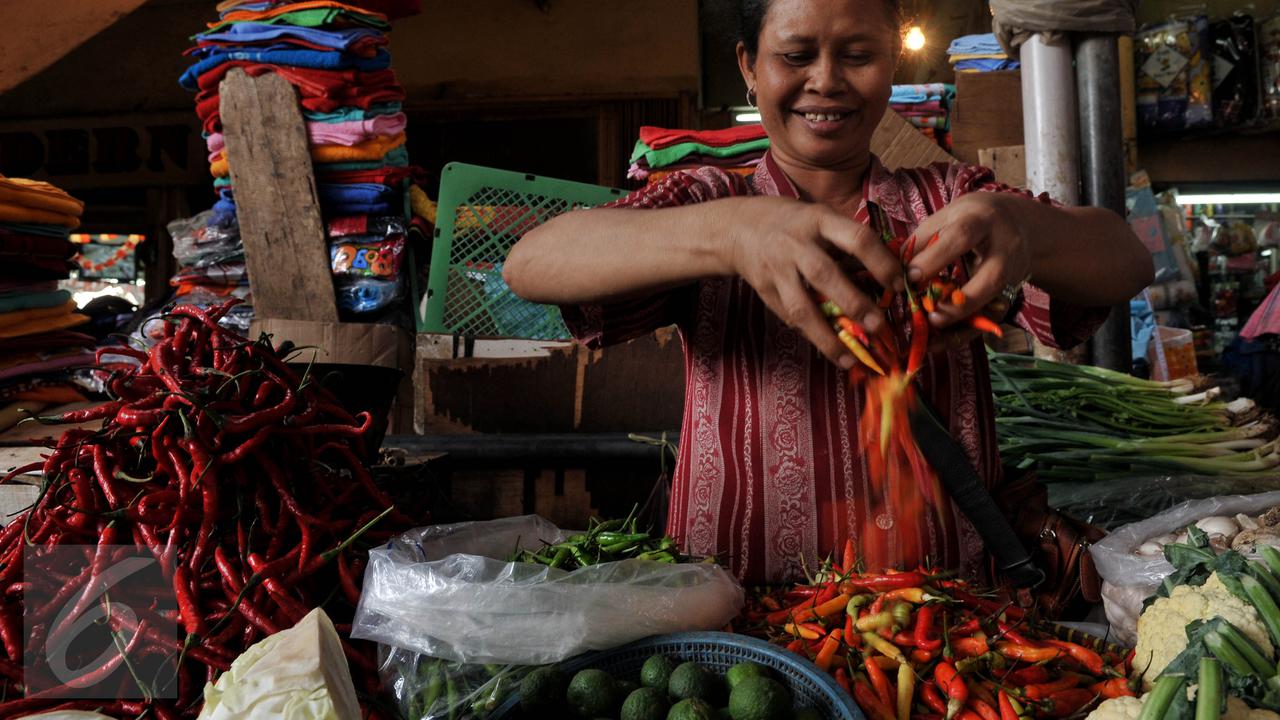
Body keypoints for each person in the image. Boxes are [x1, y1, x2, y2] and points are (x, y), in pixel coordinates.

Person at [503, 0, 1154, 583]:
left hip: (946, 612)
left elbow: (1126, 261)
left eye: (859, 55)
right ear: (749, 67)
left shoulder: (949, 201)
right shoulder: (713, 201)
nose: (827, 80)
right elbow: (532, 262)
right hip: (737, 611)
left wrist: (1025, 226)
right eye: (795, 55)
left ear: (892, 62)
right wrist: (730, 236)